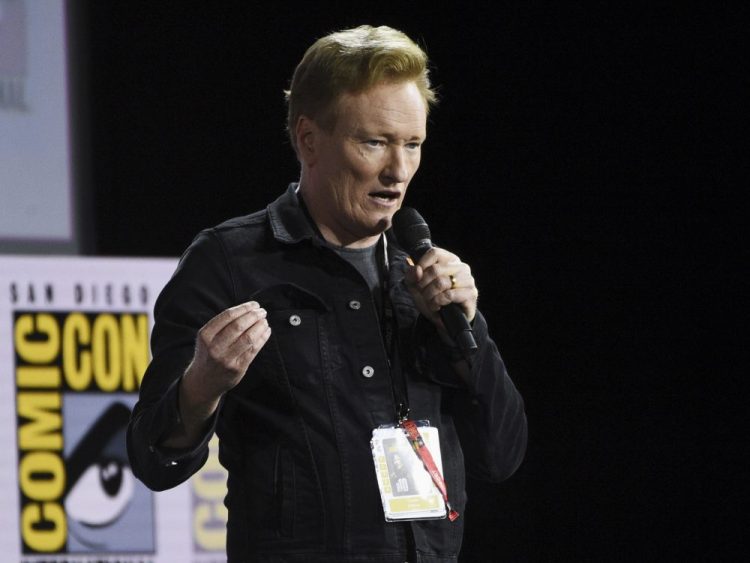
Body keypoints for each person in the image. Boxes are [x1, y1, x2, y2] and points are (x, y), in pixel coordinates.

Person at [127, 24, 527, 563]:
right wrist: (201, 387)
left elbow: (502, 454)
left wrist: (465, 329)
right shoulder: (228, 262)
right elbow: (153, 458)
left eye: (413, 145)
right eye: (375, 142)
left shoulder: (426, 275)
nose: (399, 170)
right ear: (309, 140)